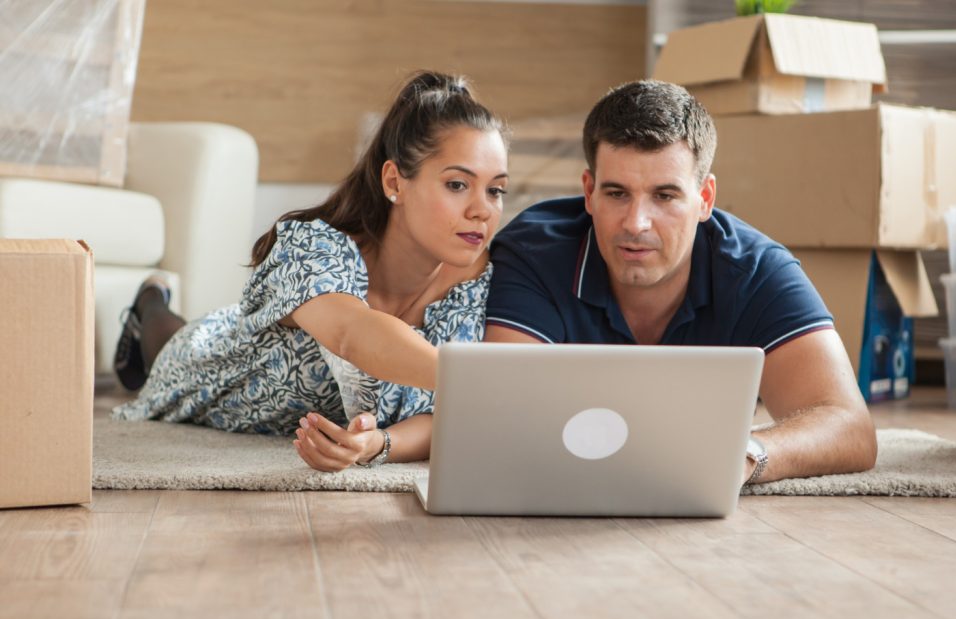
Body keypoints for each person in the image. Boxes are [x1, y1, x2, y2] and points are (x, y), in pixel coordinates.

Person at [112, 71, 509, 473]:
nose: (482, 210)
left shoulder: (477, 281)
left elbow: (447, 415)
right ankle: (150, 300)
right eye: (458, 184)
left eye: (495, 190)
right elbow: (352, 335)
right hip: (213, 366)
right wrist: (478, 381)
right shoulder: (314, 246)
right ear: (395, 182)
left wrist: (378, 444)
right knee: (166, 343)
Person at [484, 80, 877, 485]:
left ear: (705, 198)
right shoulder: (533, 255)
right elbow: (501, 411)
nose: (636, 223)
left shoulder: (757, 270)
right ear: (588, 191)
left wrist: (745, 455)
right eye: (617, 193)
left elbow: (850, 427)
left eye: (665, 196)